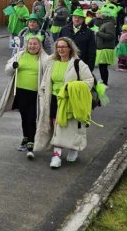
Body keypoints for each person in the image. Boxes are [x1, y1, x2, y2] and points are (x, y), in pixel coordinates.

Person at [34, 37, 95, 167]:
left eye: (63, 47)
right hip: (53, 100)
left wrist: (72, 88)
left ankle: (73, 148)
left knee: (69, 126)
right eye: (58, 47)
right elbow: (45, 81)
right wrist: (43, 93)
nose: (61, 49)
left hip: (70, 100)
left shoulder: (78, 64)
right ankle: (57, 156)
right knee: (56, 126)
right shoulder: (52, 63)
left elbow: (89, 81)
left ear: (70, 48)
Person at [0, 35, 43, 154]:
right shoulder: (19, 55)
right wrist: (13, 66)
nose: (32, 46)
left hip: (35, 93)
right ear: (27, 45)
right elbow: (7, 70)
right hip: (21, 91)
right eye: (30, 44)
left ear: (40, 46)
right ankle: (26, 138)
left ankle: (32, 141)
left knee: (32, 117)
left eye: (35, 44)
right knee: (24, 116)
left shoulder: (44, 58)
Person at [93, 5, 118, 87]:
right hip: (102, 48)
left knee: (103, 66)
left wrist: (98, 32)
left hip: (106, 48)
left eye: (102, 13)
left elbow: (111, 36)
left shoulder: (109, 24)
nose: (100, 14)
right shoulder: (105, 23)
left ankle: (105, 82)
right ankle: (104, 81)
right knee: (102, 66)